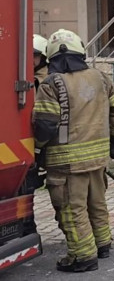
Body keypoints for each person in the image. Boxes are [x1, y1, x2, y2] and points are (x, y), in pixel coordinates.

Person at [32, 29, 114, 272]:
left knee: (72, 210)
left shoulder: (51, 83)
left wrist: (35, 151)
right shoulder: (101, 77)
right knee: (96, 203)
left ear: (51, 57)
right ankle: (102, 244)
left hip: (66, 163)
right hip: (97, 159)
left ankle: (83, 257)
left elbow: (45, 123)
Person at [21, 33, 51, 236]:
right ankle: (27, 228)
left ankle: (29, 229)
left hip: (42, 139)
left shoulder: (45, 78)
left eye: (36, 55)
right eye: (28, 54)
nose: (31, 59)